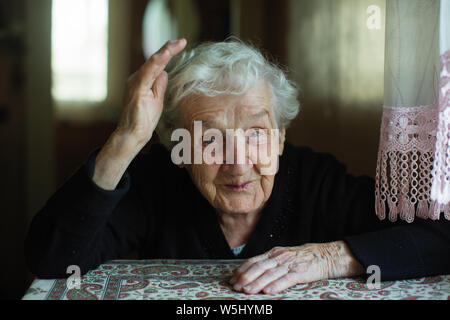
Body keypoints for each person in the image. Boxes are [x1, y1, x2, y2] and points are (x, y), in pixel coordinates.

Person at [25, 39, 450, 295]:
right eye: (209, 139)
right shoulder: (158, 182)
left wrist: (332, 256)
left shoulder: (317, 180)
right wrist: (126, 138)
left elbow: (442, 234)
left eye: (257, 133)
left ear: (281, 136)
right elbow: (53, 259)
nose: (238, 161)